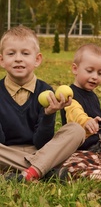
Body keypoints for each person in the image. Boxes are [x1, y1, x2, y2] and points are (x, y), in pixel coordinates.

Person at [0, 26, 86, 181]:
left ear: (37, 59)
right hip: (6, 152)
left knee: (76, 130)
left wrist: (48, 114)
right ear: (2, 60)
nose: (18, 58)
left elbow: (41, 143)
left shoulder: (45, 91)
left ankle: (28, 172)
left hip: (42, 150)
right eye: (11, 53)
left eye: (25, 53)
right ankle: (43, 170)